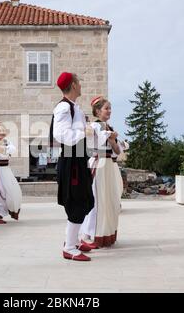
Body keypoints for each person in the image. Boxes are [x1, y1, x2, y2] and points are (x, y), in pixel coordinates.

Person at [51, 72, 94, 262]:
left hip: (78, 159)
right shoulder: (63, 107)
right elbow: (61, 135)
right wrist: (83, 132)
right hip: (71, 161)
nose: (81, 85)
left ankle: (73, 240)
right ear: (74, 85)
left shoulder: (73, 107)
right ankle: (69, 247)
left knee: (86, 200)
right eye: (79, 82)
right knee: (78, 201)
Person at [80, 96, 124, 248]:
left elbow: (117, 151)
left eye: (110, 108)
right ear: (97, 111)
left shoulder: (109, 128)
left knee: (110, 201)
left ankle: (106, 233)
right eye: (106, 108)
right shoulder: (94, 126)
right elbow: (90, 143)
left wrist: (112, 140)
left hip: (109, 167)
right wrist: (107, 136)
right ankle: (89, 234)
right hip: (98, 164)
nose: (109, 111)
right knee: (97, 201)